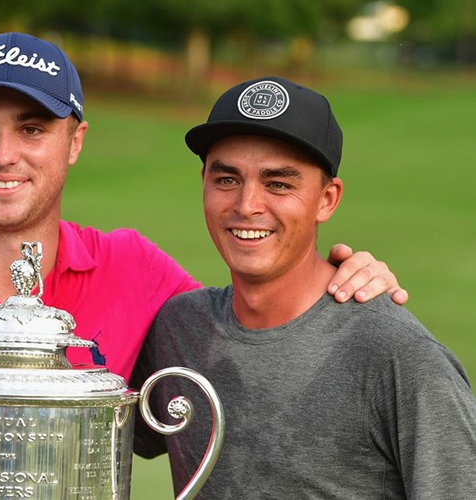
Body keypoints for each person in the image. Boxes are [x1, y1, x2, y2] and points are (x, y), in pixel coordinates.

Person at [0, 33, 405, 500]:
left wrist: (346, 275)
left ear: (74, 141)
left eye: (32, 129)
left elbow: (254, 326)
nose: (3, 155)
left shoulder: (137, 271)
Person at [130, 76, 476, 499]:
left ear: (327, 199)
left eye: (278, 183)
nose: (247, 205)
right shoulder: (179, 328)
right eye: (227, 179)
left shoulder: (398, 355)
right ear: (203, 181)